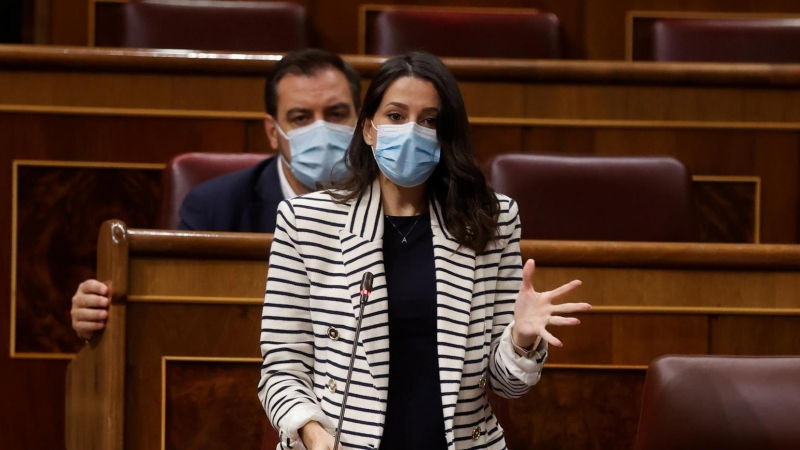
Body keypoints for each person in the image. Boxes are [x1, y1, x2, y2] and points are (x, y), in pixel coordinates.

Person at [258, 52, 591, 450]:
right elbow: (281, 368)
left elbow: (507, 385)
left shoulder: (491, 218)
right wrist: (313, 434)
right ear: (368, 129)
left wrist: (520, 340)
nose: (412, 131)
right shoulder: (307, 221)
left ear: (446, 134)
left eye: (429, 120)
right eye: (396, 116)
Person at [71, 49, 362, 340]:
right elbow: (167, 313)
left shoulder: (396, 202)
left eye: (336, 114)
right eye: (301, 118)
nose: (321, 130)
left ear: (360, 122)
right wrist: (96, 314)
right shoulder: (214, 208)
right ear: (273, 132)